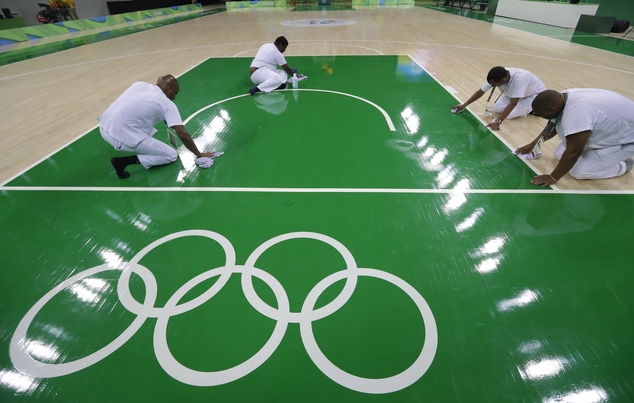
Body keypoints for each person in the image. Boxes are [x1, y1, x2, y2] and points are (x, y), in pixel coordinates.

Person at [99, 74, 217, 179]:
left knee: (145, 127)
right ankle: (122, 162)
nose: (174, 97)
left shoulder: (139, 85)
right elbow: (182, 133)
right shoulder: (167, 104)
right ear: (169, 88)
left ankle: (140, 148)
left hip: (103, 127)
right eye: (174, 93)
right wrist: (199, 154)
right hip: (120, 138)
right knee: (171, 155)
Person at [515, 88, 634, 186]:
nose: (541, 117)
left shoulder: (577, 112)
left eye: (541, 115)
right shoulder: (562, 98)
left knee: (579, 172)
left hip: (628, 139)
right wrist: (532, 146)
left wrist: (553, 177)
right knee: (559, 152)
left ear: (552, 110)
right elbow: (552, 126)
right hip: (615, 130)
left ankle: (623, 165)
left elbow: (574, 151)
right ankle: (606, 157)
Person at [452, 66, 546, 130]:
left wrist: (497, 122)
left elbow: (513, 103)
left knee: (508, 115)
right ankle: (524, 107)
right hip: (513, 93)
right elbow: (481, 91)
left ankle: (532, 109)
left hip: (534, 96)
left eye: (494, 85)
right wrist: (464, 105)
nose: (492, 86)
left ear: (503, 80)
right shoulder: (498, 75)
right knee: (497, 109)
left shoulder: (520, 78)